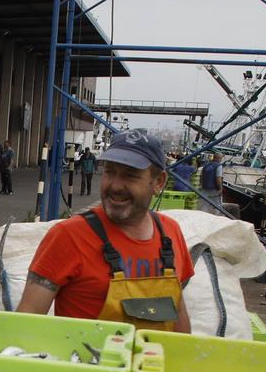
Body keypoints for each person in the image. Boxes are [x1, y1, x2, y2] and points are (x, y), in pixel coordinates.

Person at [16, 127, 194, 332]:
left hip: (154, 362)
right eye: (110, 172)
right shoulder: (68, 236)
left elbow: (178, 311)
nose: (116, 186)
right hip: (87, 362)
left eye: (130, 175)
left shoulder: (170, 233)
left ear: (158, 182)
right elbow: (26, 321)